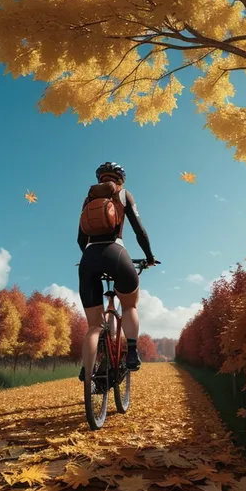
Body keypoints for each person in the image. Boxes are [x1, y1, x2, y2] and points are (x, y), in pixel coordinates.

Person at [77, 161, 156, 382]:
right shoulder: (123, 195)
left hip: (89, 258)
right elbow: (139, 230)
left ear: (99, 179)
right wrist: (149, 257)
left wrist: (91, 257)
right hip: (117, 254)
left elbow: (80, 238)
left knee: (93, 326)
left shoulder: (89, 199)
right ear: (120, 179)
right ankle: (131, 352)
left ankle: (87, 368)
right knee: (130, 304)